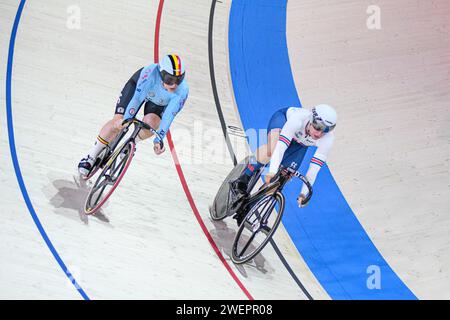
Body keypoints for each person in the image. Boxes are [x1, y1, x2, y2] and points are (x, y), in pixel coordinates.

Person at [78, 54, 189, 175]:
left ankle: (131, 143)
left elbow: (168, 116)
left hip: (158, 102)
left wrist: (159, 139)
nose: (174, 85)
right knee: (118, 122)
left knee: (151, 125)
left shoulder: (182, 91)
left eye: (179, 79)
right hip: (138, 88)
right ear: (161, 73)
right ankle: (91, 156)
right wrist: (125, 120)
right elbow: (137, 99)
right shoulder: (150, 73)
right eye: (170, 79)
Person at [231, 104, 337, 225]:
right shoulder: (298, 119)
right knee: (272, 149)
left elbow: (314, 168)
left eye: (325, 131)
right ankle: (242, 179)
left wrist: (304, 193)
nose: (319, 134)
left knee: (282, 179)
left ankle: (248, 209)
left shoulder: (327, 139)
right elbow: (280, 148)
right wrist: (272, 171)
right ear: (312, 120)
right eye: (318, 128)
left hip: (300, 144)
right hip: (283, 121)